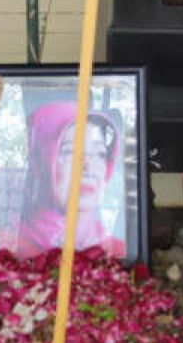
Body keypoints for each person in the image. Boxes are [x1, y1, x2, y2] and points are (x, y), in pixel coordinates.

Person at [12, 101, 126, 259]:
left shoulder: (119, 253)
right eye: (71, 152)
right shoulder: (10, 249)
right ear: (41, 163)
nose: (88, 166)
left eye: (100, 153)